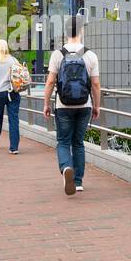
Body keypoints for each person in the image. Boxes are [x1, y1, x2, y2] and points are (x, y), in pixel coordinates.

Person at [43, 17, 101, 196]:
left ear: (66, 32)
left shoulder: (58, 54)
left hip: (63, 105)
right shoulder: (90, 55)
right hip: (84, 105)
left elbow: (51, 81)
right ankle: (78, 181)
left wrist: (46, 103)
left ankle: (66, 167)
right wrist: (96, 106)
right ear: (81, 31)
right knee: (78, 143)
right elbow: (96, 85)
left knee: (63, 142)